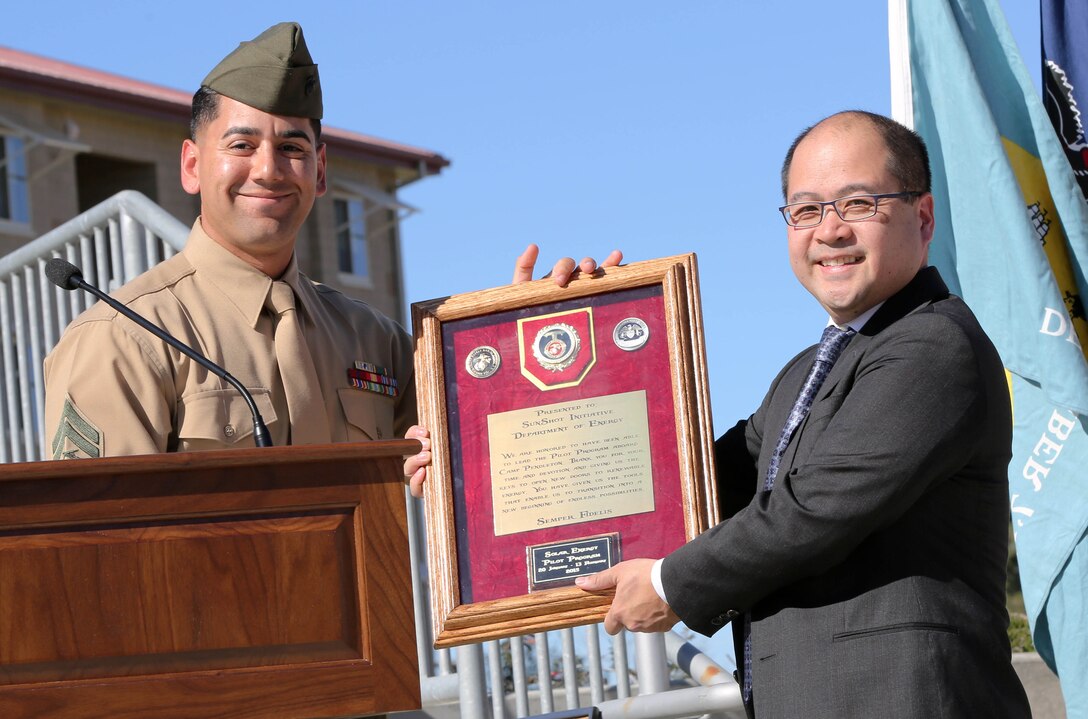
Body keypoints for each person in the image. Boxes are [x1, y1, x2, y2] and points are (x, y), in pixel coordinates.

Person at [407, 111, 1032, 717]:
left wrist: (669, 587)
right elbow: (696, 490)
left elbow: (815, 509)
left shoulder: (932, 346)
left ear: (922, 217)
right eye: (807, 209)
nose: (830, 230)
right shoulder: (806, 371)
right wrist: (487, 448)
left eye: (859, 203)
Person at [43, 21, 611, 459]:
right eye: (241, 146)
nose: (268, 170)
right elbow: (100, 553)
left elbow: (487, 451)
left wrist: (533, 331)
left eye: (292, 148)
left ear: (319, 173)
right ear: (192, 166)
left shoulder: (375, 340)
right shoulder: (125, 340)